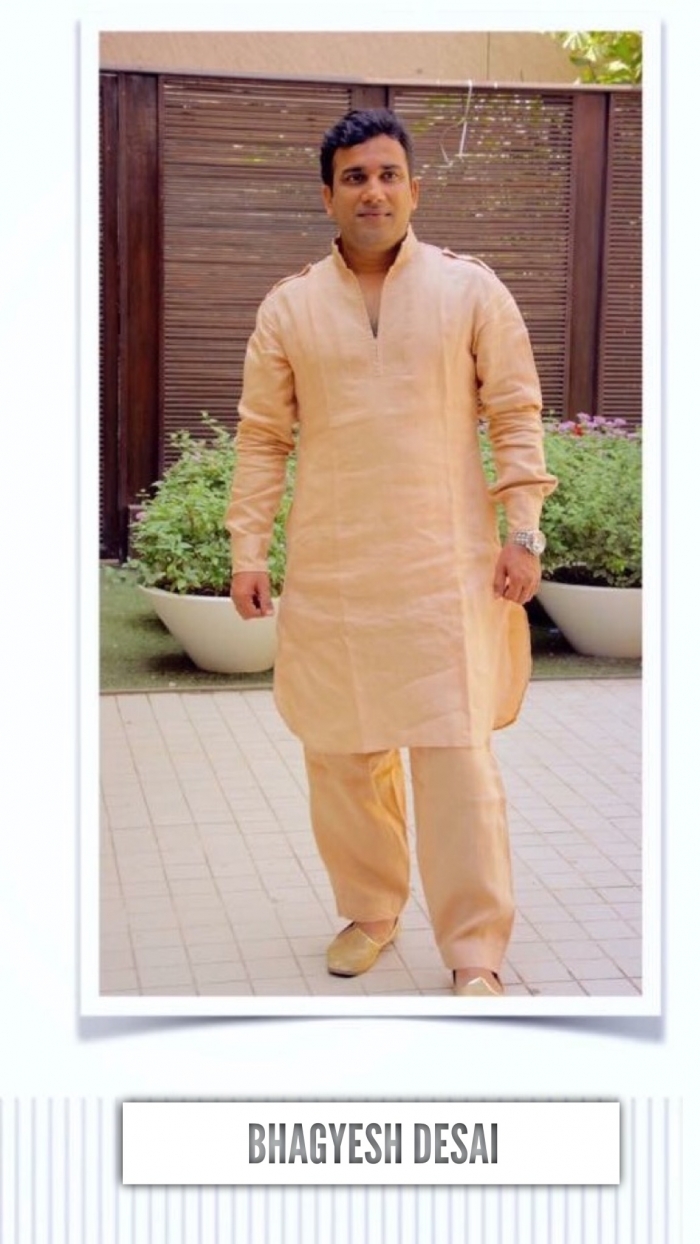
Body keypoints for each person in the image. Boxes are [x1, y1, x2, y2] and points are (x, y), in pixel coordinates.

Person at [225, 108, 557, 997]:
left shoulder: (470, 290)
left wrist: (523, 531)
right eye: (354, 178)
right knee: (343, 752)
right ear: (327, 196)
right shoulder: (290, 306)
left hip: (444, 565)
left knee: (455, 758)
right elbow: (262, 438)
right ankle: (371, 910)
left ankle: (474, 948)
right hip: (334, 567)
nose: (372, 192)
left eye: (387, 175)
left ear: (414, 188)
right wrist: (249, 550)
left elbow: (515, 414)